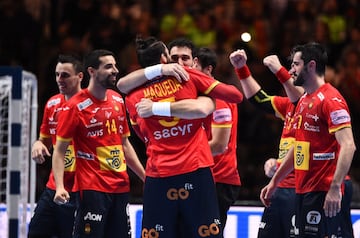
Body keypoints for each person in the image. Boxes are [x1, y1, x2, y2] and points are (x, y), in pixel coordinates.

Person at [117, 36, 245, 237]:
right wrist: (205, 99)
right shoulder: (190, 78)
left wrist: (156, 110)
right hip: (196, 169)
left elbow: (142, 134)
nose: (177, 63)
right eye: (172, 57)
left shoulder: (132, 97)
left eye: (184, 58)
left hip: (159, 174)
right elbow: (236, 96)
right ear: (163, 58)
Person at [260, 42, 356, 237]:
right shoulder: (304, 100)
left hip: (323, 192)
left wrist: (335, 188)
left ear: (311, 65)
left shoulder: (332, 100)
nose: (291, 70)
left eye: (296, 64)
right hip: (303, 190)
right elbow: (299, 147)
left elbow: (349, 145)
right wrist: (275, 181)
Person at [52, 49, 146, 238]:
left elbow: (125, 145)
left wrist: (145, 177)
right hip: (92, 187)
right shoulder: (74, 106)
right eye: (108, 66)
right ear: (92, 71)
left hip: (120, 186)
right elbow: (60, 151)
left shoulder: (118, 99)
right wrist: (60, 186)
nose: (115, 70)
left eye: (115, 65)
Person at [229, 49, 303, 238]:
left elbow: (301, 97)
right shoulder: (287, 106)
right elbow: (259, 99)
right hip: (279, 188)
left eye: (295, 66)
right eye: (291, 67)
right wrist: (241, 69)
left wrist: (279, 70)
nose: (292, 71)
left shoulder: (315, 104)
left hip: (301, 190)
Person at [28, 54, 83, 238]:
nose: (60, 79)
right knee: (35, 232)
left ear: (80, 76)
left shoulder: (89, 104)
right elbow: (44, 141)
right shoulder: (52, 104)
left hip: (80, 190)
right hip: (54, 188)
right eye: (57, 74)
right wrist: (37, 144)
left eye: (65, 75)